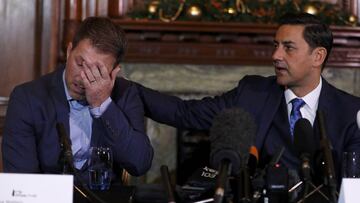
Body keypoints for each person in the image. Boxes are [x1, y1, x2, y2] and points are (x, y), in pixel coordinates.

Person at [135, 12, 360, 185]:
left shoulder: (351, 112)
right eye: (275, 46)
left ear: (318, 56)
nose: (275, 56)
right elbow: (185, 112)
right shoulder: (252, 93)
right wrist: (123, 89)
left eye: (288, 48)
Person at [2, 17, 154, 181]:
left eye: (97, 72)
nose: (83, 78)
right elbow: (23, 183)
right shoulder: (27, 99)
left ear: (113, 73)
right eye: (80, 64)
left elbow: (140, 164)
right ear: (69, 52)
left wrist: (103, 105)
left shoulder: (125, 94)